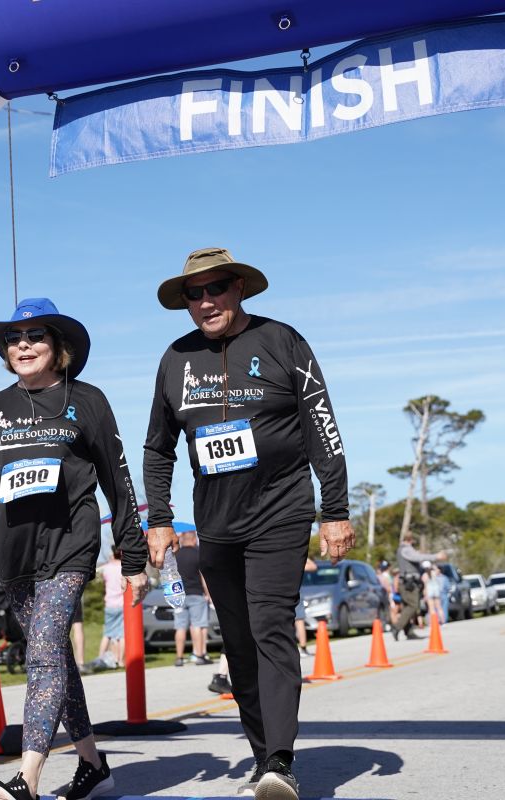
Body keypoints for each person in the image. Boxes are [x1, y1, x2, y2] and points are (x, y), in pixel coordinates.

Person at [143, 247, 354, 800]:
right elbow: (158, 448)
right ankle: (264, 761)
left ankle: (281, 759)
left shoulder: (282, 340)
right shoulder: (176, 358)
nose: (206, 301)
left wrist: (335, 510)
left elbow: (322, 427)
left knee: (270, 628)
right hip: (216, 522)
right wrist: (160, 519)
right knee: (237, 644)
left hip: (281, 510)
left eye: (216, 288)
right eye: (194, 293)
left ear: (239, 288)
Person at [0, 298, 149, 800]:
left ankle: (26, 779)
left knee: (45, 653)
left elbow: (118, 482)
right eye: (13, 338)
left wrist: (132, 557)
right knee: (56, 661)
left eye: (35, 336)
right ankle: (93, 765)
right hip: (14, 553)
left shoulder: (87, 401)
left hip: (70, 545)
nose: (23, 345)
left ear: (58, 346)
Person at [391, 531, 447, 641]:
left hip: (408, 582)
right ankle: (397, 627)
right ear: (410, 540)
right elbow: (418, 557)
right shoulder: (406, 549)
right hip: (409, 583)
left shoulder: (404, 549)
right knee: (413, 606)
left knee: (407, 607)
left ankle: (409, 631)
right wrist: (436, 556)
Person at [173, 529, 212, 666]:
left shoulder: (176, 555)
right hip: (196, 593)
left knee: (180, 627)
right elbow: (203, 577)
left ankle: (179, 658)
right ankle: (199, 655)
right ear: (194, 539)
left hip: (179, 595)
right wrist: (208, 593)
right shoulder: (198, 553)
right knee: (197, 625)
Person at [89, 549, 126, 671]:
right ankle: (120, 660)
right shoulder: (123, 568)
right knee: (121, 635)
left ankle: (101, 657)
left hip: (109, 604)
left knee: (107, 634)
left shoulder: (107, 568)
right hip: (121, 604)